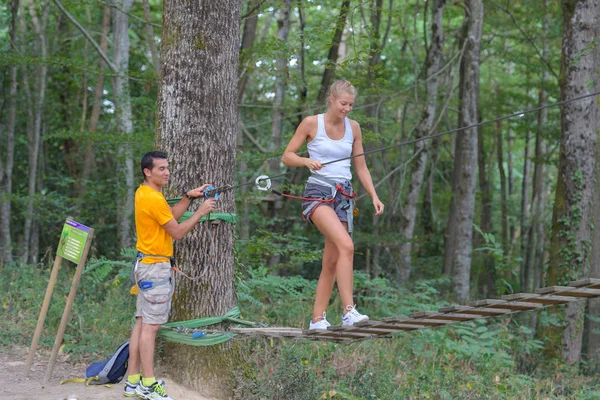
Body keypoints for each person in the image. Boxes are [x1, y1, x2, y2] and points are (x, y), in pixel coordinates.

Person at [282, 80, 384, 330]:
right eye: (343, 103)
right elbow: (287, 156)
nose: (347, 108)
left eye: (351, 104)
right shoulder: (310, 123)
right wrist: (307, 162)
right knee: (347, 246)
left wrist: (373, 195)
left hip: (344, 196)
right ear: (331, 99)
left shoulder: (354, 128)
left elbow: (360, 166)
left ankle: (317, 319)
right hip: (318, 193)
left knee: (332, 259)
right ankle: (349, 311)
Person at [124, 151, 216, 400]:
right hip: (155, 268)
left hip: (146, 265)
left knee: (142, 322)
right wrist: (201, 211)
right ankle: (149, 383)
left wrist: (188, 197)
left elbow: (168, 218)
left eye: (167, 168)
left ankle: (132, 381)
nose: (167, 172)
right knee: (151, 328)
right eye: (161, 169)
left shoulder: (147, 193)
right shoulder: (152, 198)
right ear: (147, 171)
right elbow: (176, 232)